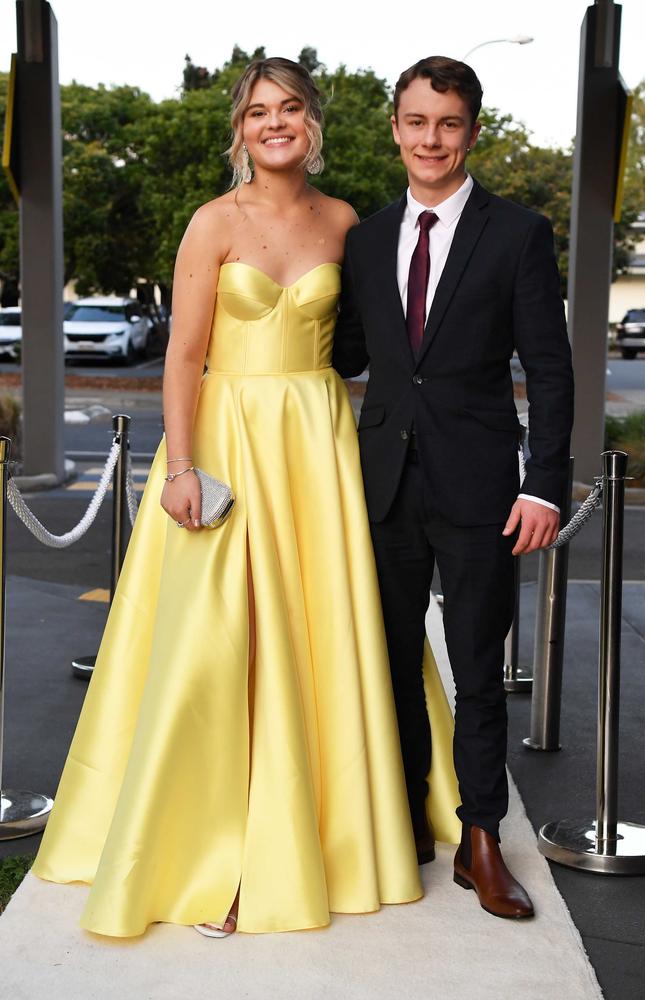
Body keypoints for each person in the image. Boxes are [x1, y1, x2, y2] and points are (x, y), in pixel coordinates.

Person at [32, 57, 461, 939]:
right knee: (223, 640)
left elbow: (384, 343)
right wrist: (179, 466)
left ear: (313, 122)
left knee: (323, 633)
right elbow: (182, 356)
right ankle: (218, 850)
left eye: (291, 108)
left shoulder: (349, 222)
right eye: (259, 111)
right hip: (228, 439)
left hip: (317, 443)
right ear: (241, 129)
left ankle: (334, 829)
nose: (276, 123)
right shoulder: (209, 224)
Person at [333, 56, 574, 920]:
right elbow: (347, 354)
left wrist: (545, 486)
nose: (430, 139)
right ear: (395, 128)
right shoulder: (362, 239)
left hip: (482, 488)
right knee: (389, 664)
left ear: (472, 131)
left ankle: (481, 840)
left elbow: (550, 369)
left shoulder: (518, 233)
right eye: (416, 121)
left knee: (477, 670)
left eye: (449, 123)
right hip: (382, 484)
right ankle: (400, 823)